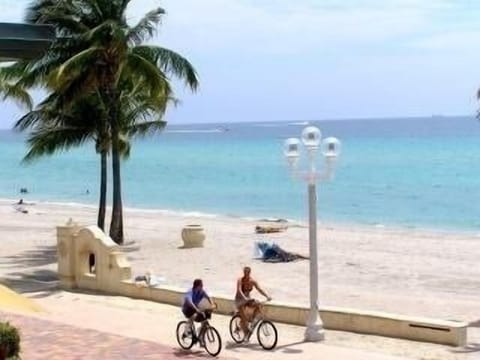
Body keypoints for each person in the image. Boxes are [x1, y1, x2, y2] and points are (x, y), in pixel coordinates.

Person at [235, 266, 271, 337]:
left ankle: (252, 321)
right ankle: (244, 334)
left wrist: (267, 296)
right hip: (239, 300)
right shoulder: (240, 280)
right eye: (245, 272)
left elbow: (259, 289)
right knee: (244, 318)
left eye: (248, 273)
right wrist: (244, 298)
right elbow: (239, 290)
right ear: (243, 272)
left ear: (250, 273)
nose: (246, 274)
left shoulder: (252, 281)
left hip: (247, 299)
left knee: (258, 305)